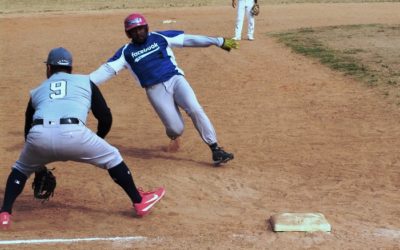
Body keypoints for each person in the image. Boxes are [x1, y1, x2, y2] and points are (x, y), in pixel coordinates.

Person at [0, 47, 165, 229]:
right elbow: (105, 117)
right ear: (70, 68)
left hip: (39, 135)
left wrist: (38, 165)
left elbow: (27, 129)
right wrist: (97, 140)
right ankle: (139, 201)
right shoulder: (86, 82)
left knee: (20, 169)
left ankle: (5, 214)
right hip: (74, 134)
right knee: (112, 157)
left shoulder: (37, 91)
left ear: (48, 68)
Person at [90, 13, 238, 166]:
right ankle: (174, 136)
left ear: (146, 28)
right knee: (176, 129)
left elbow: (189, 39)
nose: (138, 32)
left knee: (195, 109)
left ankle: (215, 149)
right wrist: (80, 83)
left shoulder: (160, 37)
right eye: (133, 30)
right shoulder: (125, 52)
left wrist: (218, 41)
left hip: (176, 80)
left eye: (141, 28)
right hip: (155, 90)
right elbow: (105, 71)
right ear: (128, 33)